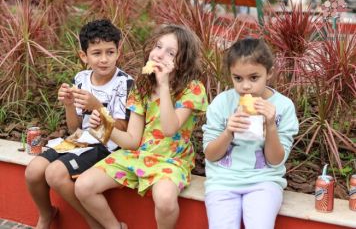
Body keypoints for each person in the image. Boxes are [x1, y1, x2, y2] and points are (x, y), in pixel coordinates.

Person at [74, 24, 208, 229]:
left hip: (170, 160)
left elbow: (169, 129)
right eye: (158, 46)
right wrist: (104, 122)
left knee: (164, 200)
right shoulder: (142, 87)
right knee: (83, 186)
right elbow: (132, 141)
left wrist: (163, 86)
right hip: (139, 155)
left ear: (182, 62)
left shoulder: (192, 89)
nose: (160, 54)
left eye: (171, 52)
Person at [25, 19, 133, 229]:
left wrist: (97, 108)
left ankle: (98, 224)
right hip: (81, 140)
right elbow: (75, 128)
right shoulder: (81, 78)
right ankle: (47, 215)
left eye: (110, 52)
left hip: (107, 146)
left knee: (55, 173)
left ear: (118, 52)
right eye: (97, 53)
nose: (104, 59)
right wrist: (68, 104)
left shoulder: (124, 83)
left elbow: (122, 130)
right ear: (84, 56)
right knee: (34, 170)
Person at [202, 38, 299, 229]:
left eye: (254, 78)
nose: (245, 86)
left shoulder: (283, 107)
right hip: (222, 181)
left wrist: (270, 126)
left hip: (264, 182)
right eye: (238, 78)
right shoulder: (222, 103)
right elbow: (210, 155)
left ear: (269, 73)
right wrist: (229, 131)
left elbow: (275, 161)